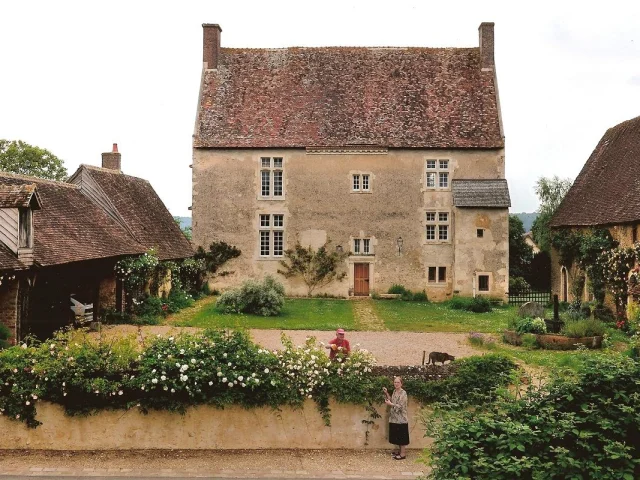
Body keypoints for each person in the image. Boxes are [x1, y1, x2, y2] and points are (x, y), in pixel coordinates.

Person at [383, 376, 409, 460]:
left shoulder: (403, 393)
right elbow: (392, 400)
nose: (396, 384)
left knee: (402, 436)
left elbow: (400, 406)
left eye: (398, 382)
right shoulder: (394, 391)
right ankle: (399, 451)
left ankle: (403, 454)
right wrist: (386, 393)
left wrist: (390, 404)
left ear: (401, 383)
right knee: (397, 435)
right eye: (395, 382)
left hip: (401, 418)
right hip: (394, 418)